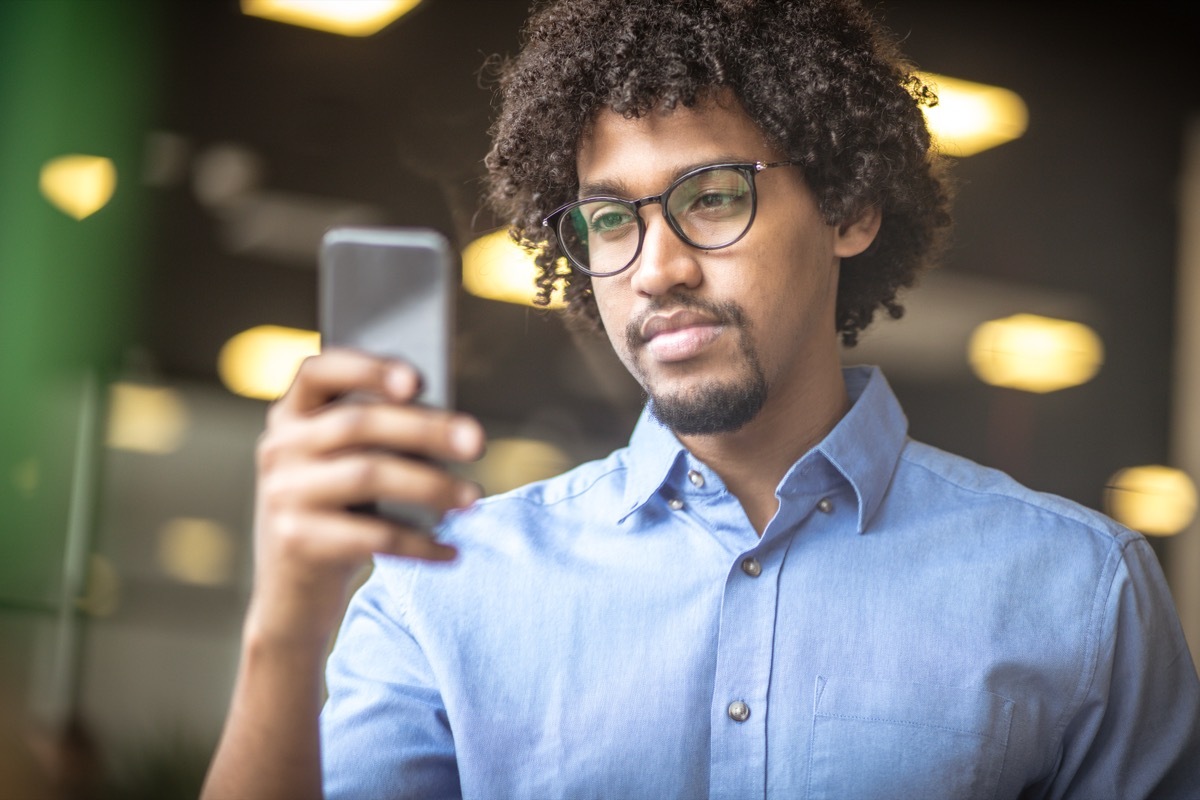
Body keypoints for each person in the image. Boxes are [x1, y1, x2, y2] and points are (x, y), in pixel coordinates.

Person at [200, 0, 1200, 797]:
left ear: (849, 205)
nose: (657, 269)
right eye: (608, 219)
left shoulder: (1082, 593)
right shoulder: (441, 593)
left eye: (714, 196)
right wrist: (286, 627)